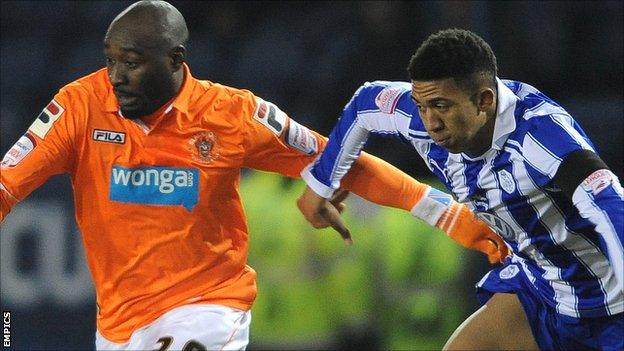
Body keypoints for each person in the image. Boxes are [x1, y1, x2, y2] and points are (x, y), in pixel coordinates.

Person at [0, 3, 508, 349]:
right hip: (117, 323)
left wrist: (450, 216)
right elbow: (7, 184)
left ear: (177, 61)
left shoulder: (231, 115)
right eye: (110, 61)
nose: (116, 77)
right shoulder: (79, 106)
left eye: (131, 63)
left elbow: (338, 162)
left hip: (207, 308)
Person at [297, 28, 623, 350]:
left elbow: (610, 207)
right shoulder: (424, 118)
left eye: (441, 106)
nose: (429, 122)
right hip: (539, 290)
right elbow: (365, 104)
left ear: (484, 100)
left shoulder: (540, 138)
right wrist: (321, 185)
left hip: (610, 311)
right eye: (421, 105)